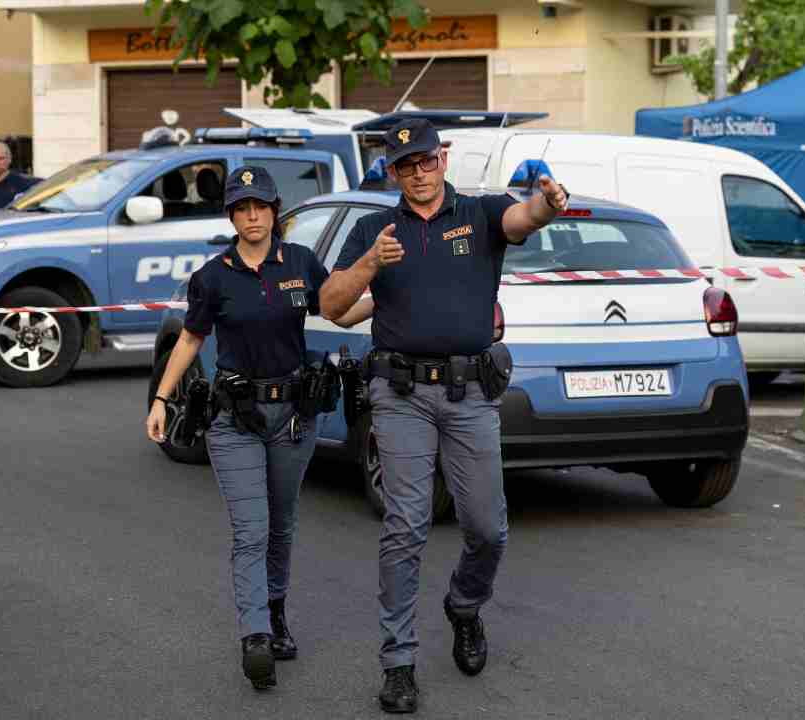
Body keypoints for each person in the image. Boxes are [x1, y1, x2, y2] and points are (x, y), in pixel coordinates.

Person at [319, 118, 570, 714]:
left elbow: (524, 218)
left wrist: (549, 204)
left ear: (443, 159)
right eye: (406, 166)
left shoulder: (479, 214)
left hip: (469, 395)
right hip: (400, 394)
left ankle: (464, 605)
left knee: (487, 527)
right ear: (392, 171)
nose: (419, 173)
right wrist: (370, 266)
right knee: (406, 526)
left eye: (427, 161)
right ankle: (397, 662)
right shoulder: (374, 228)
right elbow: (333, 305)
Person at [145, 165, 369, 690]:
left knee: (282, 523)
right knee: (251, 530)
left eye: (260, 207)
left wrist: (389, 296)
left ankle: (275, 612)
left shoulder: (300, 263)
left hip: (293, 415)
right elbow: (191, 340)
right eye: (242, 208)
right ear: (231, 214)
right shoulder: (214, 276)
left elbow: (339, 312)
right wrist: (160, 399)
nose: (252, 216)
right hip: (235, 418)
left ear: (274, 212)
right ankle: (254, 636)